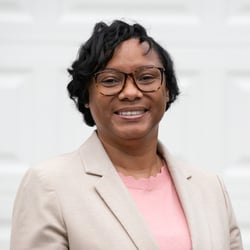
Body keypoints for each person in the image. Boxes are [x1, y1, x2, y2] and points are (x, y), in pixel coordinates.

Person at [10, 20, 243, 250]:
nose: (130, 92)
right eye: (110, 80)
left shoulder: (210, 188)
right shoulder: (50, 186)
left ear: (168, 89)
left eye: (146, 77)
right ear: (86, 96)